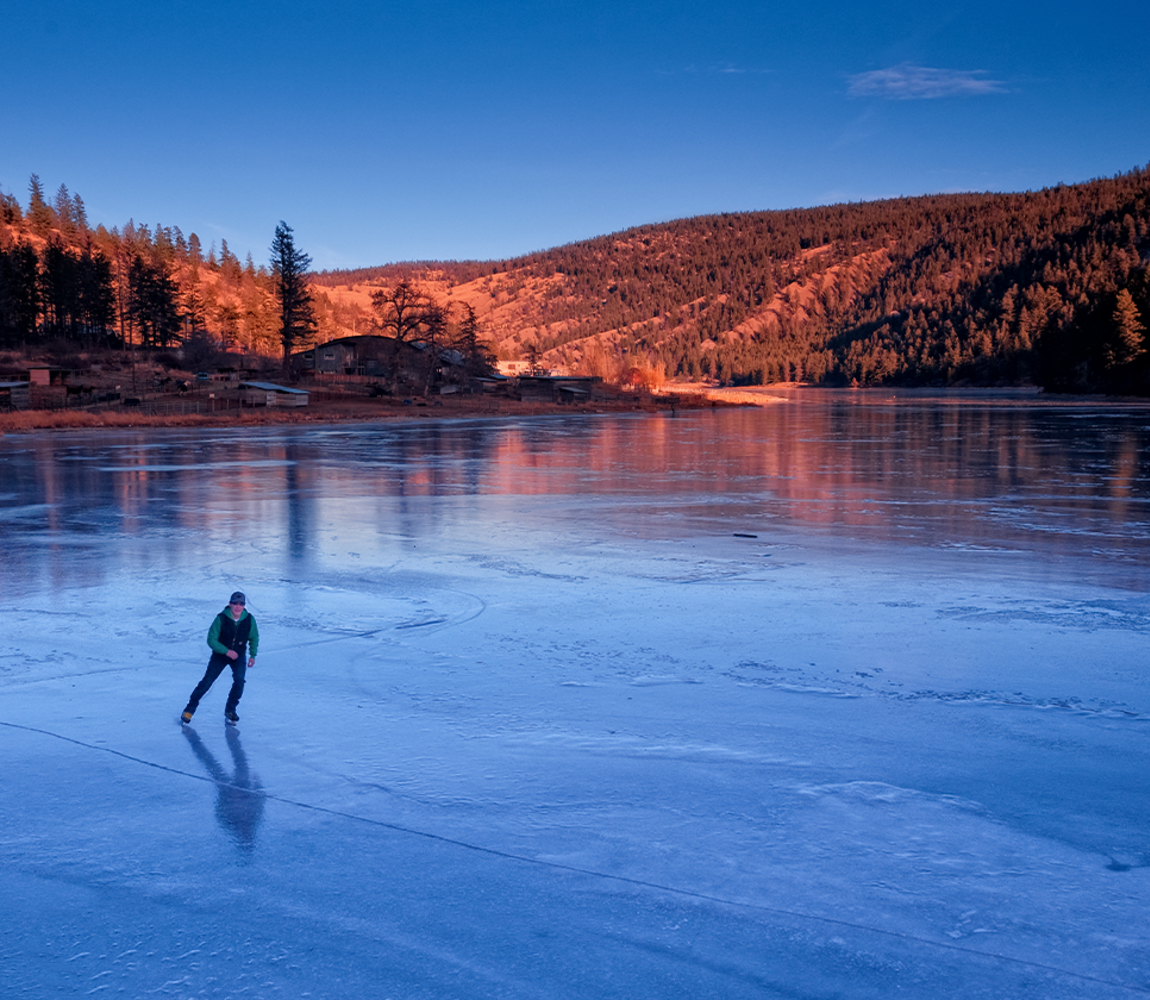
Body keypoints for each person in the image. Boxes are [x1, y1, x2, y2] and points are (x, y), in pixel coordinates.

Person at [181, 592, 259, 725]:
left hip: (238, 655)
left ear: (244, 606)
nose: (237, 606)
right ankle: (189, 709)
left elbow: (254, 637)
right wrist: (226, 651)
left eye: (241, 604)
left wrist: (252, 655)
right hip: (220, 655)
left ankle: (231, 710)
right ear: (230, 604)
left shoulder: (249, 619)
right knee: (207, 682)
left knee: (239, 681)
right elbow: (211, 639)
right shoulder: (221, 619)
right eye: (235, 603)